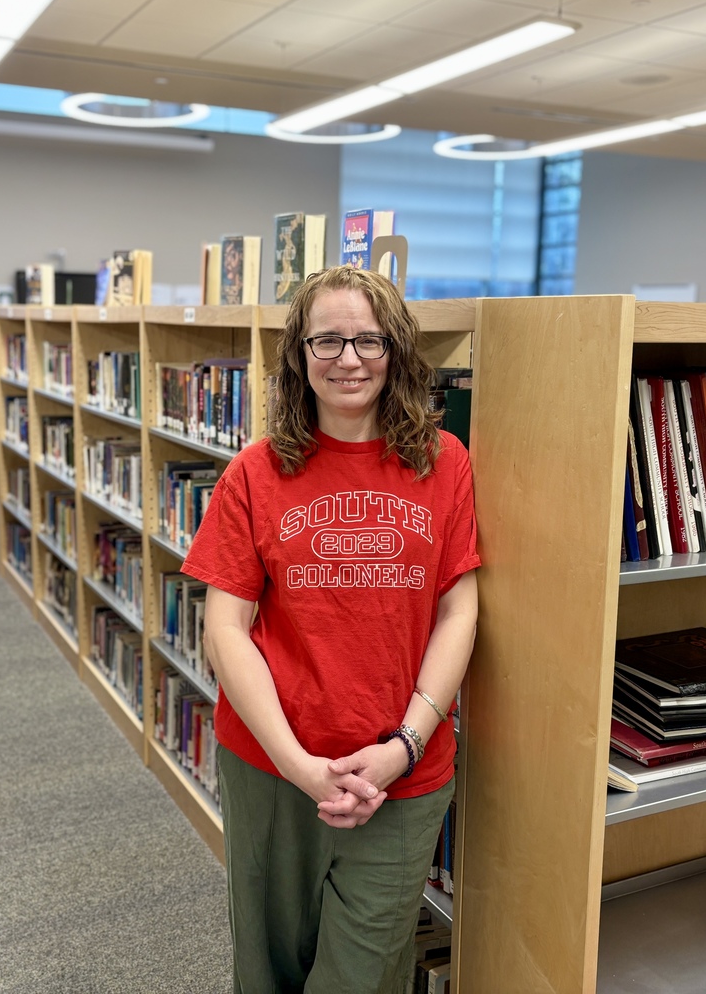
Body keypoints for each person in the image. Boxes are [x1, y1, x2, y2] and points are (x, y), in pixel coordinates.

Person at [182, 264, 480, 993]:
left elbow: (459, 610)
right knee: (270, 968)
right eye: (328, 341)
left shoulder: (446, 465)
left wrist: (403, 746)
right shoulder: (253, 474)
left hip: (403, 779)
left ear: (397, 351)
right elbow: (226, 629)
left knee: (362, 976)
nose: (349, 359)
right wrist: (296, 763)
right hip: (274, 771)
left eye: (369, 340)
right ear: (298, 355)